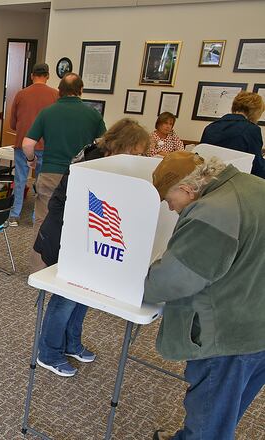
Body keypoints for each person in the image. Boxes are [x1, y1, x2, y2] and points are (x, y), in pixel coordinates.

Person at [146, 151, 265, 440]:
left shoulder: (213, 212)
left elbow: (174, 280)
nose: (172, 210)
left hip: (228, 333)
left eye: (170, 202)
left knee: (210, 415)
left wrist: (142, 280)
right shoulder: (254, 186)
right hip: (257, 323)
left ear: (187, 189)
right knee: (227, 408)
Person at [34, 119, 150, 377]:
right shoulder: (92, 163)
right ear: (122, 145)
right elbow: (80, 205)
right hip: (66, 236)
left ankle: (71, 343)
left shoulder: (107, 162)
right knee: (66, 297)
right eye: (136, 152)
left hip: (85, 238)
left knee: (85, 293)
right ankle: (49, 352)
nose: (138, 158)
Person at [22, 73, 106, 273]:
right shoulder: (93, 114)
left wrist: (31, 160)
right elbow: (104, 145)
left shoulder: (47, 112)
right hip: (80, 177)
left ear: (59, 91)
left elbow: (27, 144)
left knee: (43, 220)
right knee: (76, 222)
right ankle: (69, 267)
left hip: (51, 173)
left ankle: (38, 269)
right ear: (81, 90)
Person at [7, 63, 59, 227]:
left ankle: (14, 215)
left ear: (31, 75)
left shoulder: (21, 94)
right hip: (44, 145)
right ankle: (37, 216)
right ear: (48, 76)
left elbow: (13, 123)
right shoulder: (55, 95)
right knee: (42, 181)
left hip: (23, 143)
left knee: (20, 179)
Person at [200, 91, 264, 179]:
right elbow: (256, 167)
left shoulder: (211, 126)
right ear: (256, 111)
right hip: (234, 180)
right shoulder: (251, 129)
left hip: (207, 179)